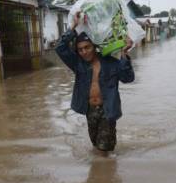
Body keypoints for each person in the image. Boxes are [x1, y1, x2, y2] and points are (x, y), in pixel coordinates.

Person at [55, 12, 135, 152]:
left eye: (87, 47)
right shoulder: (77, 64)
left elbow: (128, 78)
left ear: (94, 47)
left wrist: (124, 53)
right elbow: (60, 47)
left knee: (103, 149)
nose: (84, 52)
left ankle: (106, 172)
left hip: (108, 110)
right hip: (89, 111)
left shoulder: (111, 63)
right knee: (96, 146)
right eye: (80, 49)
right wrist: (73, 25)